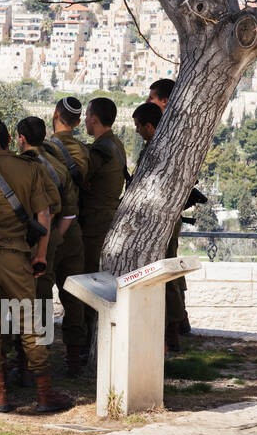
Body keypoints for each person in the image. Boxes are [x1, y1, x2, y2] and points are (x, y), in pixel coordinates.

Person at [0, 113, 71, 413]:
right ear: (8, 137)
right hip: (18, 258)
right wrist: (40, 255)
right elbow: (44, 215)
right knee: (30, 324)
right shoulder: (29, 168)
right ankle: (44, 393)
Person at [7, 116, 75, 383]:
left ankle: (22, 360)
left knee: (17, 301)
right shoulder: (59, 166)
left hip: (20, 240)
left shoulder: (16, 167)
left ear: (21, 138)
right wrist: (51, 239)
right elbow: (68, 212)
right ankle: (39, 362)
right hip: (49, 239)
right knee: (43, 299)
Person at [132, 101, 185, 352]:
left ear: (150, 127)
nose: (137, 131)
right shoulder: (168, 147)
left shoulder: (157, 151)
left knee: (164, 275)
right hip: (166, 218)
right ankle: (171, 330)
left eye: (138, 126)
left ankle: (171, 331)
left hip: (159, 219)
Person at [47, 96, 92, 376]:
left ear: (55, 114)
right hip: (73, 230)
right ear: (77, 123)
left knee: (39, 295)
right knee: (74, 297)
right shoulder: (84, 152)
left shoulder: (45, 150)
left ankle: (33, 359)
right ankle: (74, 358)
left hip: (48, 231)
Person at [81, 97, 126, 278]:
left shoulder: (101, 149)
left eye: (86, 115)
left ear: (94, 119)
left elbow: (81, 177)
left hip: (95, 221)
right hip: (108, 217)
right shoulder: (116, 143)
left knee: (90, 276)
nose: (84, 119)